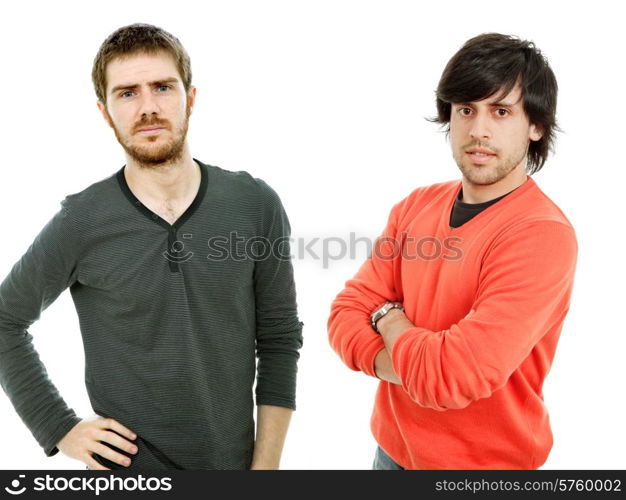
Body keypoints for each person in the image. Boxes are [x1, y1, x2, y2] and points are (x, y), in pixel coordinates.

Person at [0, 23, 303, 470]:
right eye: (127, 93)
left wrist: (266, 469)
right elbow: (6, 320)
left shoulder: (255, 204)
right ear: (105, 112)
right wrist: (57, 426)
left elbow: (278, 339)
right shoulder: (82, 220)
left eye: (162, 87)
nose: (148, 108)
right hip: (127, 475)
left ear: (190, 98)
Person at [327, 33, 578, 470]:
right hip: (389, 452)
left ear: (536, 125)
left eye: (501, 112)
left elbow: (450, 378)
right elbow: (345, 313)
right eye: (466, 110)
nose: (478, 130)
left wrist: (387, 316)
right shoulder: (415, 206)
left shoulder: (542, 235)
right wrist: (415, 368)